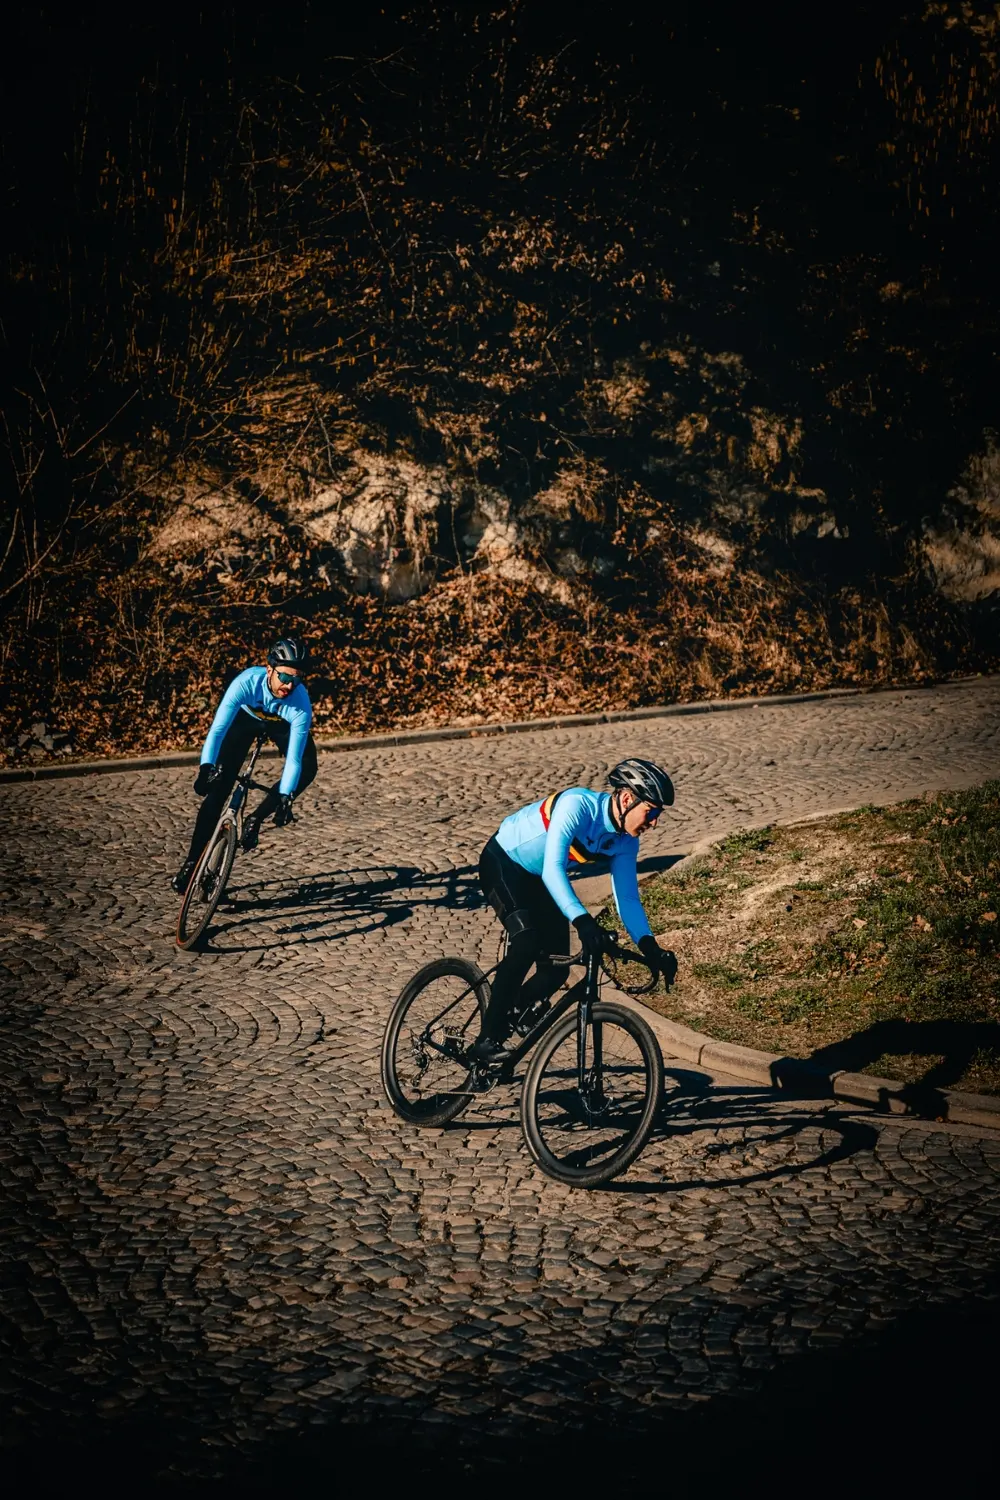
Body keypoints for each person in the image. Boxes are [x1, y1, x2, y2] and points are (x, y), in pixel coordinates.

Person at [473, 758, 679, 1062]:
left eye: (658, 814)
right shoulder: (578, 806)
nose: (654, 822)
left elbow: (628, 899)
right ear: (626, 798)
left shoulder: (625, 842)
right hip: (504, 863)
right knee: (527, 942)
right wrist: (584, 922)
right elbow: (553, 868)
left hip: (539, 879)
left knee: (556, 974)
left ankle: (510, 1006)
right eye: (651, 812)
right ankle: (485, 1039)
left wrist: (651, 947)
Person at [171, 637, 316, 892]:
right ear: (269, 669)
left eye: (297, 679)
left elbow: (294, 758)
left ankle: (256, 818)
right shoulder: (246, 682)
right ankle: (191, 864)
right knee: (217, 791)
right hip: (246, 719)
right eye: (284, 677)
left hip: (281, 723)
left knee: (308, 765)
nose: (289, 685)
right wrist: (206, 767)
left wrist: (285, 797)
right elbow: (218, 730)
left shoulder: (300, 703)